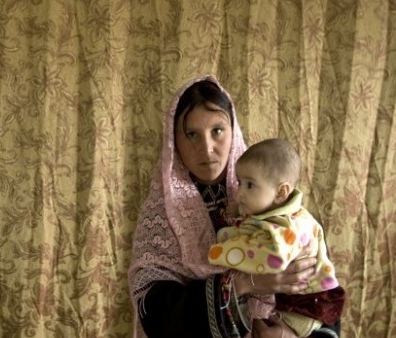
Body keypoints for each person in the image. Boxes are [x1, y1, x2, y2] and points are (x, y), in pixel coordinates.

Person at [127, 75, 342, 338]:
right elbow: (156, 312)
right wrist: (243, 283)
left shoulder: (270, 195)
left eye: (217, 130)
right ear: (174, 142)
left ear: (233, 130)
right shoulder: (162, 216)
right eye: (191, 134)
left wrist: (287, 335)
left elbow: (321, 287)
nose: (206, 149)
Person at [208, 138, 344, 337]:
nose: (239, 194)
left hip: (301, 311)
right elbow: (249, 233)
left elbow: (268, 255)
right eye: (239, 183)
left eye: (250, 185)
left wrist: (221, 250)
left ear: (281, 192)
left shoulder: (289, 227)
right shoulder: (272, 212)